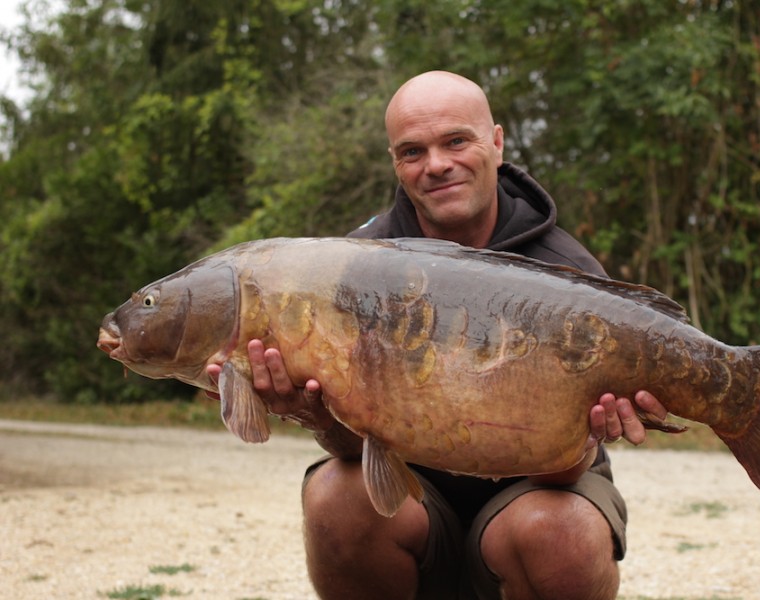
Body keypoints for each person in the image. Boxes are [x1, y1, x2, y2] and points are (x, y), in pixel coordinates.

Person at [209, 70, 669, 600]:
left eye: (456, 141)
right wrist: (312, 413)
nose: (436, 165)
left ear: (496, 143)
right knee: (336, 497)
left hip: (535, 491)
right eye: (412, 151)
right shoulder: (348, 266)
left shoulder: (563, 270)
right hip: (409, 500)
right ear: (395, 162)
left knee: (559, 531)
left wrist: (588, 433)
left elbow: (561, 479)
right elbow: (349, 448)